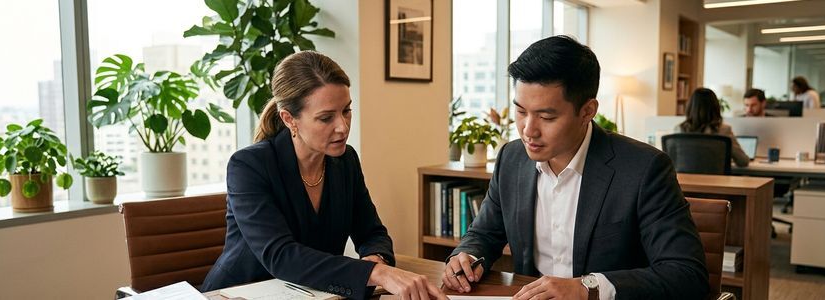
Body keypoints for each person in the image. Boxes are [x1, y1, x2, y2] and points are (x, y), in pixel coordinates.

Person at [442, 36, 708, 300]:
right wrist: (467, 256)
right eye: (521, 112)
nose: (528, 130)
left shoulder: (644, 169)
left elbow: (686, 274)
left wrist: (587, 287)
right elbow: (484, 233)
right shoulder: (511, 159)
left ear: (587, 111)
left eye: (546, 117)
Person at [201, 51, 447, 300]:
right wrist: (376, 273)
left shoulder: (345, 160)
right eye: (326, 118)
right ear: (289, 119)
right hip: (238, 293)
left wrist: (377, 260)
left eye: (346, 111)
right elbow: (282, 256)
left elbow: (372, 232)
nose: (342, 126)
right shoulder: (248, 166)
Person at [677, 88, 750, 167]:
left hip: (684, 179)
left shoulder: (679, 129)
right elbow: (743, 161)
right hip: (716, 179)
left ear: (690, 107)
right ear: (715, 107)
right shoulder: (724, 130)